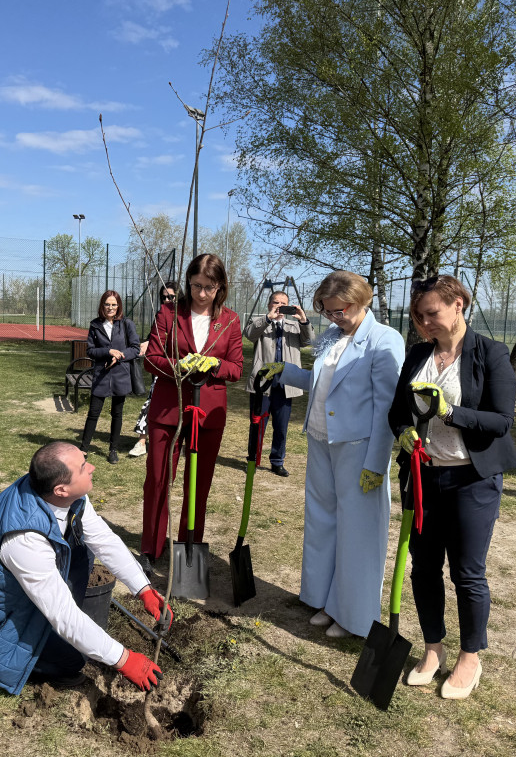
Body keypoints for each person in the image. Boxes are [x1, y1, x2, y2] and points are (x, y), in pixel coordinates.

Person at [0, 441, 173, 694]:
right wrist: (124, 659)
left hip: (3, 592)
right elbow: (63, 615)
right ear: (61, 489)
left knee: (81, 548)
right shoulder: (25, 538)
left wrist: (142, 588)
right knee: (71, 661)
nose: (93, 467)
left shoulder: (61, 496)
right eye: (83, 466)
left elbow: (103, 540)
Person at [388, 274, 516, 700]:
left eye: (432, 314)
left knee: (467, 572)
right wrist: (404, 432)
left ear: (459, 303)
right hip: (423, 477)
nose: (425, 323)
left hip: (471, 480)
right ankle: (432, 649)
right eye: (419, 316)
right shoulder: (417, 355)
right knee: (424, 567)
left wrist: (451, 411)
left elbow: (501, 421)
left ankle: (470, 657)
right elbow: (397, 411)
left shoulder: (490, 354)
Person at [260, 271, 403, 638]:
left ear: (359, 302)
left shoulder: (384, 341)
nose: (332, 318)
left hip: (357, 448)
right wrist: (289, 372)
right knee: (323, 522)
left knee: (357, 533)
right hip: (321, 440)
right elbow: (325, 382)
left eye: (338, 311)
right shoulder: (333, 337)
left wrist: (377, 462)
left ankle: (353, 615)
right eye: (327, 312)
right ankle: (324, 599)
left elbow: (389, 405)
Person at [139, 254, 243, 576]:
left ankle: (187, 548)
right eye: (196, 286)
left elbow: (236, 368)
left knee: (198, 484)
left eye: (208, 288)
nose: (201, 294)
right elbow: (151, 358)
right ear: (187, 283)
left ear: (220, 287)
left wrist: (214, 365)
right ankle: (151, 547)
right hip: (168, 408)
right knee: (158, 479)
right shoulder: (169, 314)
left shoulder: (230, 321)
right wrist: (176, 367)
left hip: (208, 414)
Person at [244, 290, 314, 476]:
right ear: (269, 304)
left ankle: (277, 461)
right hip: (263, 382)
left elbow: (308, 341)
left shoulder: (294, 325)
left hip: (286, 382)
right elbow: (249, 335)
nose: (279, 306)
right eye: (276, 302)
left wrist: (303, 320)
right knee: (257, 424)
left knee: (281, 426)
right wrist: (268, 318)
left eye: (283, 303)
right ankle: (253, 459)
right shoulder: (260, 322)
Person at [79, 290, 141, 464]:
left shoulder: (126, 324)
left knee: (117, 413)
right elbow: (90, 350)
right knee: (93, 413)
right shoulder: (95, 325)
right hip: (101, 375)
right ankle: (83, 449)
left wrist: (120, 354)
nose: (111, 307)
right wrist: (107, 351)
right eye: (107, 304)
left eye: (114, 304)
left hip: (121, 375)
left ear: (118, 306)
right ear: (102, 306)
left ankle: (113, 449)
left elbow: (135, 348)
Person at [129, 282, 181, 458]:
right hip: (161, 370)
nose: (167, 299)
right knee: (151, 402)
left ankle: (174, 442)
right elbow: (157, 339)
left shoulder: (183, 317)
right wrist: (148, 344)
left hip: (180, 370)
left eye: (171, 297)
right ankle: (142, 441)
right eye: (164, 297)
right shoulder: (161, 315)